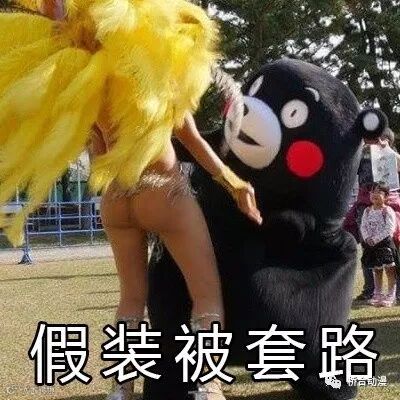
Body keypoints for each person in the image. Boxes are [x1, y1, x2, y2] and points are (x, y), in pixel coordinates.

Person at [0, 1, 262, 399]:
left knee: (131, 299)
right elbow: (192, 140)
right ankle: (208, 386)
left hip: (117, 200)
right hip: (164, 190)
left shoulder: (86, 87)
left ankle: (120, 390)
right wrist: (234, 183)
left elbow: (95, 153)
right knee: (206, 294)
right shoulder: (154, 75)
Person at [344, 128, 400, 301]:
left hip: (390, 202)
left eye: (379, 139)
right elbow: (348, 167)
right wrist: (359, 149)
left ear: (388, 140)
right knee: (368, 247)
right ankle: (370, 290)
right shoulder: (363, 155)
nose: (376, 142)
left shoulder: (392, 155)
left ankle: (397, 291)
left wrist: (387, 150)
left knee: (394, 247)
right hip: (365, 204)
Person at [360, 183, 398, 307]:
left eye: (378, 192)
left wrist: (376, 239)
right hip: (371, 246)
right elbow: (363, 226)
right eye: (372, 192)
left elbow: (390, 228)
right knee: (377, 270)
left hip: (385, 245)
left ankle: (391, 295)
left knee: (389, 270)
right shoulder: (367, 211)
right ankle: (378, 294)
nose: (374, 194)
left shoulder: (387, 210)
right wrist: (367, 238)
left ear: (386, 196)